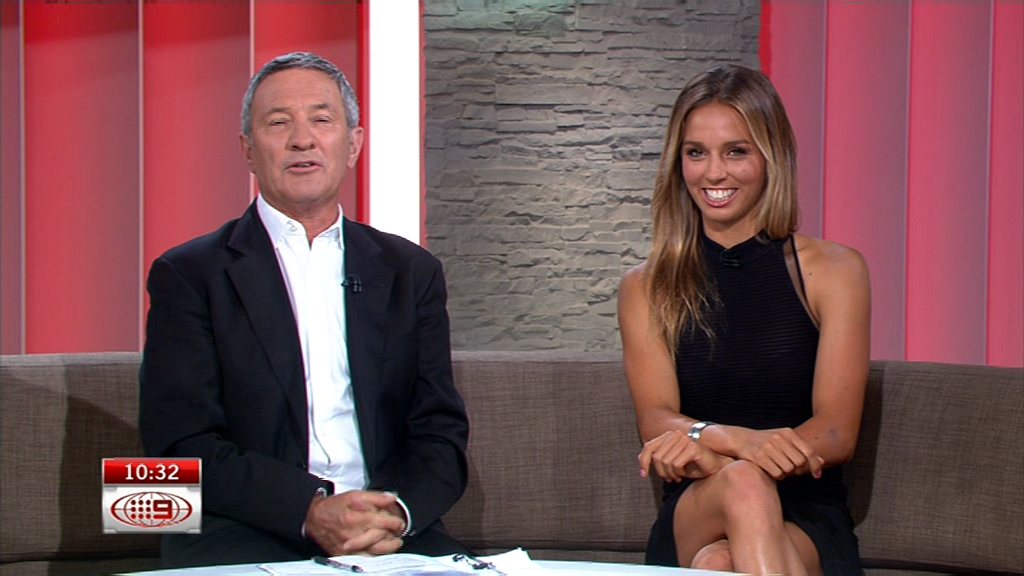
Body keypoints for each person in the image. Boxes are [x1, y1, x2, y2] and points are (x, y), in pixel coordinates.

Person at [139, 52, 470, 568]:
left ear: (353, 144)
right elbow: (176, 443)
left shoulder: (411, 271)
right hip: (244, 527)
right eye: (279, 123)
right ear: (248, 149)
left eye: (321, 119)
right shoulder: (190, 274)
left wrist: (395, 513)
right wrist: (309, 511)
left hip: (387, 528)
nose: (302, 139)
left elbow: (440, 431)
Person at [618, 64, 870, 575]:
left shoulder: (835, 271)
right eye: (696, 153)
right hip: (697, 505)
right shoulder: (646, 286)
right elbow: (657, 420)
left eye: (736, 151)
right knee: (741, 484)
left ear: (770, 156)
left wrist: (712, 449)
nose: (714, 173)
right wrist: (738, 443)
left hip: (805, 512)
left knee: (720, 562)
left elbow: (835, 433)